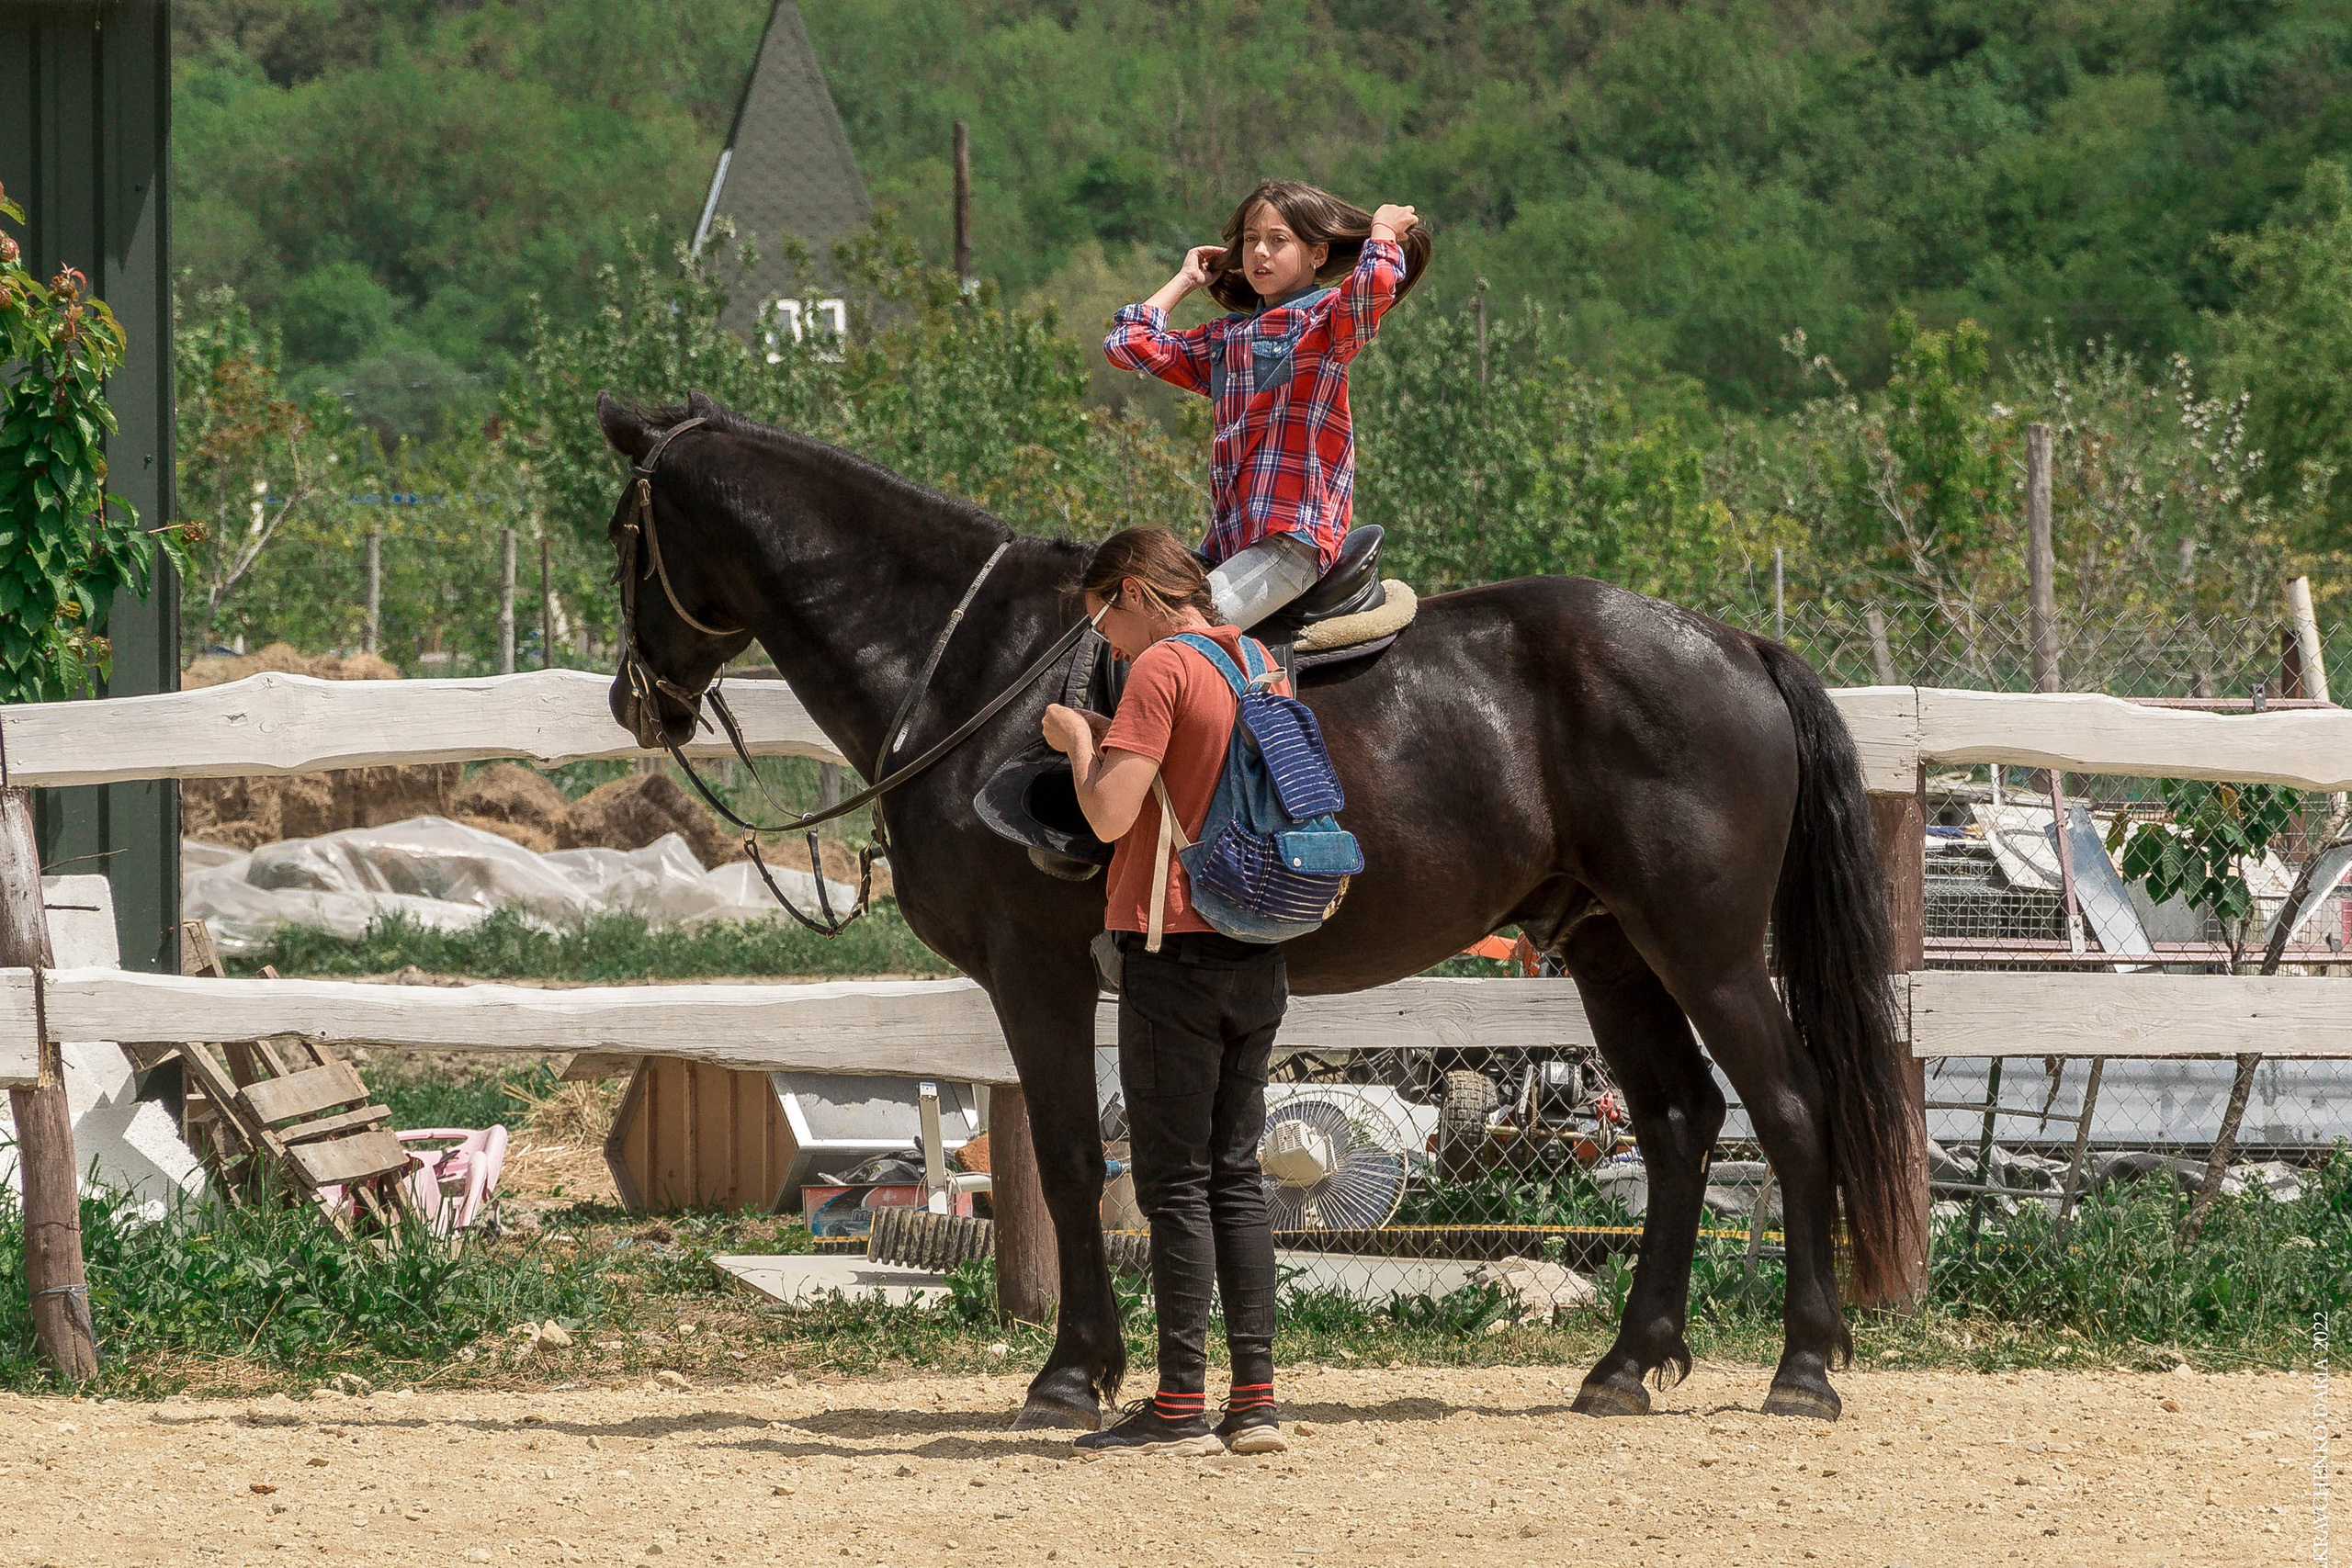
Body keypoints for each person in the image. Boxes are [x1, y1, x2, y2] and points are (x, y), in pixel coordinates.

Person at [1038, 526, 1294, 1457]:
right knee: (1236, 1177)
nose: (1103, 636)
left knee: (1174, 1181)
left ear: (1141, 592)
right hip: (1257, 948)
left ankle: (1180, 1402)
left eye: (1103, 614)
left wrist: (1076, 741)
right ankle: (1254, 1400)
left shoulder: (1160, 672)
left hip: (1171, 946)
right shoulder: (1260, 663)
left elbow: (1110, 814)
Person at [1103, 181, 1429, 630]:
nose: (1259, 253)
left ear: (1317, 254)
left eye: (1278, 241)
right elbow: (1127, 345)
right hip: (1230, 546)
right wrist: (1187, 280)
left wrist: (1382, 232)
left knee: (1177, 633)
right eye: (1251, 240)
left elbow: (1372, 287)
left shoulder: (1328, 323)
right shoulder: (1224, 338)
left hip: (1290, 543)